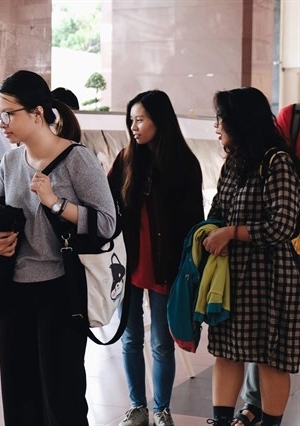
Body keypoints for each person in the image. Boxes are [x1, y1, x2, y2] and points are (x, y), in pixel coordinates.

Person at [0, 69, 116, 425]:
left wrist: (56, 203)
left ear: (37, 113)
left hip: (61, 294)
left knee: (62, 400)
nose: (1, 123)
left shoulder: (78, 159)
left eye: (8, 114)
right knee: (19, 398)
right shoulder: (10, 162)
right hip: (13, 293)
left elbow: (107, 224)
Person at [203, 87, 300, 426]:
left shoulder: (277, 161)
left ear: (239, 121)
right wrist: (208, 230)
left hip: (271, 277)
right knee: (226, 353)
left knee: (271, 359)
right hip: (232, 277)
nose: (216, 125)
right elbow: (218, 210)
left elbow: (283, 225)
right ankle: (220, 421)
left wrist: (231, 233)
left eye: (221, 118)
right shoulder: (234, 163)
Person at [107, 90, 204, 426]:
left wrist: (188, 269)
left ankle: (161, 408)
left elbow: (194, 222)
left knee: (162, 343)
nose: (134, 126)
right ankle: (138, 407)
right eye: (131, 120)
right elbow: (107, 207)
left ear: (159, 120)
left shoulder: (183, 164)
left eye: (141, 119)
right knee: (130, 338)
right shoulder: (125, 160)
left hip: (166, 268)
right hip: (129, 266)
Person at [233, 101, 300, 426]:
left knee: (277, 341)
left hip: (283, 231)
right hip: (289, 237)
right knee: (267, 337)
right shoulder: (292, 115)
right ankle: (252, 403)